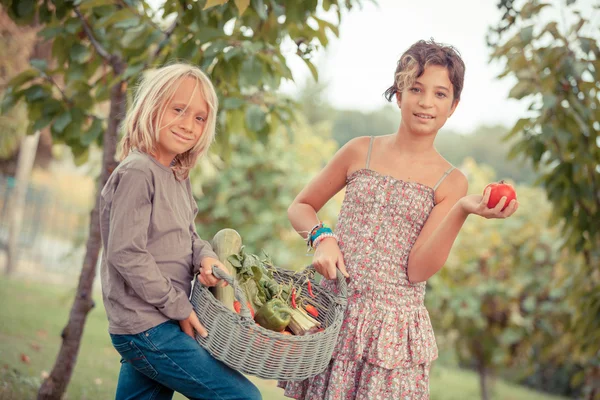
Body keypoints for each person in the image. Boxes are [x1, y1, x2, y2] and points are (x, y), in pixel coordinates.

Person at [279, 39, 519, 399]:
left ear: (453, 107)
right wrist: (322, 237)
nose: (425, 102)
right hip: (333, 312)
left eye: (440, 94)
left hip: (389, 335)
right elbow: (301, 206)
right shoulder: (361, 150)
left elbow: (417, 271)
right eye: (416, 89)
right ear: (398, 93)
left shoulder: (451, 182)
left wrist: (462, 209)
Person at [99, 63, 262, 400]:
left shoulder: (175, 176)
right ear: (153, 107)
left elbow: (187, 235)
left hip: (161, 319)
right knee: (243, 397)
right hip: (146, 325)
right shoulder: (138, 173)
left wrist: (205, 255)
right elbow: (126, 254)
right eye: (179, 110)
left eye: (200, 118)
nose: (189, 125)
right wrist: (180, 308)